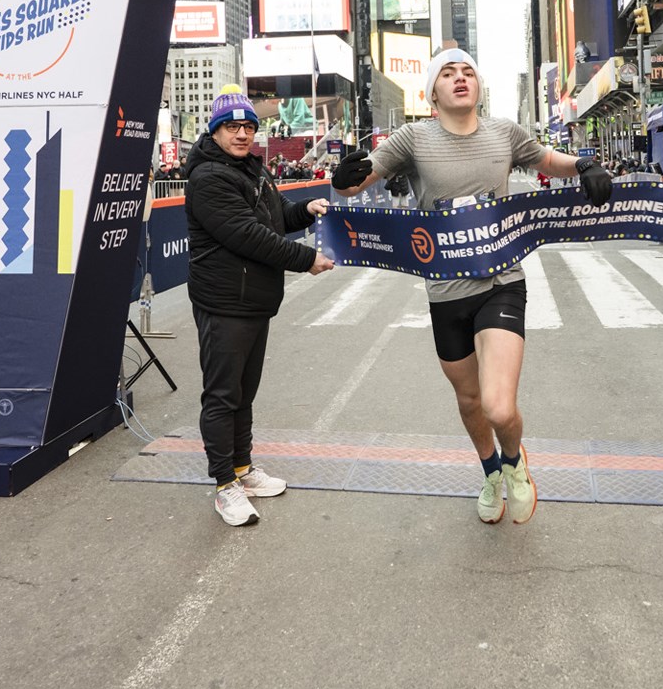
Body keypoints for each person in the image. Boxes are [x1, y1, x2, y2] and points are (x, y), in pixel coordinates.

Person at [331, 48, 613, 525]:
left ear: (478, 87)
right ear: (432, 92)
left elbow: (547, 159)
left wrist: (584, 165)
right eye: (448, 72)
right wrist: (345, 179)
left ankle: (514, 463)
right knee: (469, 401)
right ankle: (490, 472)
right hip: (445, 293)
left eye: (468, 72)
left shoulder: (504, 133)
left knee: (499, 407)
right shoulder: (413, 138)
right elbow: (357, 182)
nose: (461, 78)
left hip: (500, 281)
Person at [185, 90, 336, 527]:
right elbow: (250, 235)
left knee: (243, 394)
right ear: (215, 131)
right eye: (232, 127)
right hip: (223, 301)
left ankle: (242, 470)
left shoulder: (253, 167)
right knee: (222, 395)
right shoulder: (208, 178)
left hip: (254, 301)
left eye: (248, 127)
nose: (242, 134)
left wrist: (306, 211)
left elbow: (275, 218)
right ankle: (223, 485)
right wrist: (306, 260)